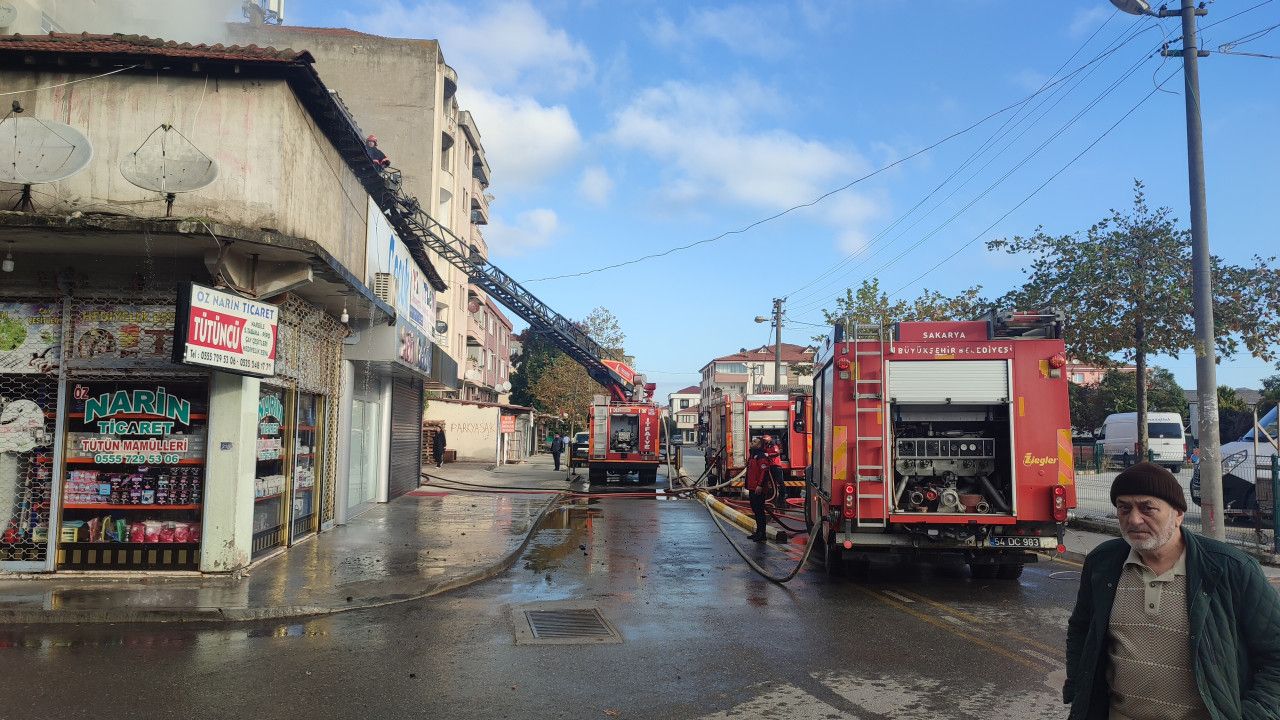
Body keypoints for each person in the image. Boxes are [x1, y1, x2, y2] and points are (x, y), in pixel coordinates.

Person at [1064, 462, 1280, 719]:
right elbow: (1081, 630)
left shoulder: (1230, 569)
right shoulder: (1104, 563)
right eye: (1124, 508)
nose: (1133, 519)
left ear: (1177, 514)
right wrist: (1080, 691)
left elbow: (1275, 656)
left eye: (1147, 508)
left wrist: (1255, 714)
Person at [745, 437, 773, 542]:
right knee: (755, 510)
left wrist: (760, 485)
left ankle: (762, 534)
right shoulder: (753, 455)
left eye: (754, 442)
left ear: (759, 445)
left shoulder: (760, 456)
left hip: (758, 488)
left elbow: (764, 471)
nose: (751, 443)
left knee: (759, 511)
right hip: (752, 487)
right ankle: (758, 532)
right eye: (752, 441)